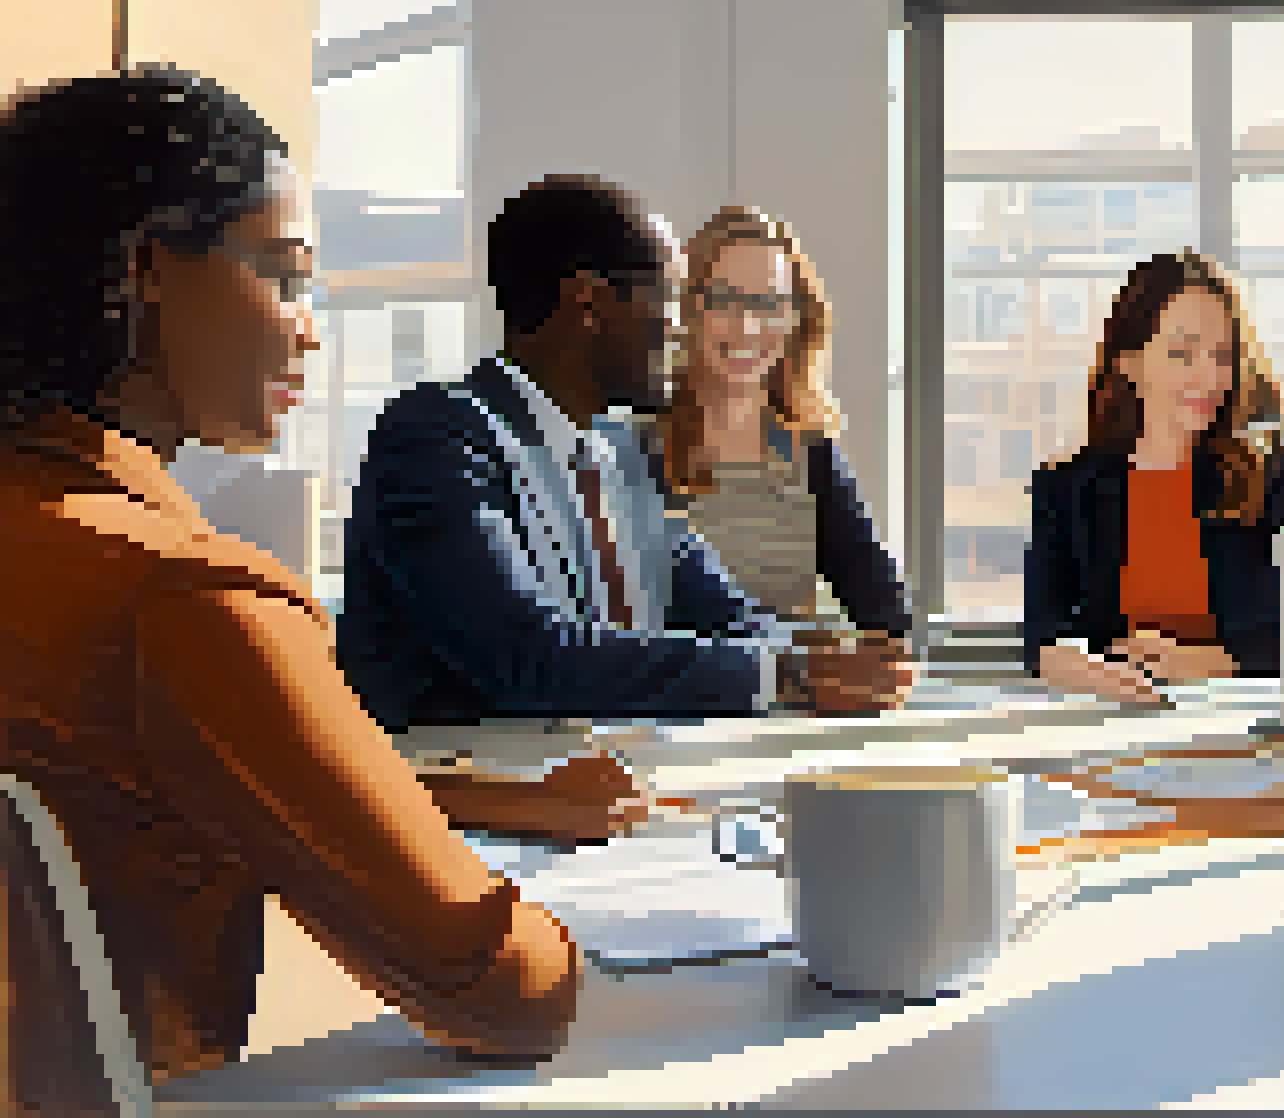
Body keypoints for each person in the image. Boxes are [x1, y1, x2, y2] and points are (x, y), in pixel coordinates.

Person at [0, 67, 579, 1091]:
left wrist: (449, 797)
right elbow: (502, 990)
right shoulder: (184, 598)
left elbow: (127, 778)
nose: (310, 329)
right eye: (285, 274)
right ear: (146, 268)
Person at [338, 178, 911, 774]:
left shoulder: (622, 457)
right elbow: (530, 657)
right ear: (590, 304)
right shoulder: (439, 437)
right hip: (475, 808)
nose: (682, 329)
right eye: (668, 299)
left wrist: (810, 655)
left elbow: (730, 613)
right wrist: (785, 673)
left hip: (606, 792)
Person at [1024, 250, 1284, 704]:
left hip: (1247, 730)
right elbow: (1041, 635)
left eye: (1222, 355)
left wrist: (1204, 664)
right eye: (1182, 353)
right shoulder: (1066, 489)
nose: (1208, 375)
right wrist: (1077, 669)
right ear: (1128, 362)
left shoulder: (1277, 474)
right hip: (1117, 728)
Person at [636, 205, 912, 678]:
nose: (746, 326)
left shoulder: (811, 452)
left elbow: (888, 618)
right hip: (671, 709)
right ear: (687, 306)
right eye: (724, 299)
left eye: (768, 303)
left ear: (793, 318)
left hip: (783, 713)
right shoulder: (630, 445)